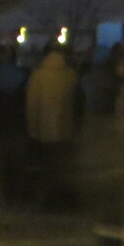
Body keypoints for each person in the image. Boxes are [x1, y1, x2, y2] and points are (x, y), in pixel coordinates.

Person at [24, 42, 79, 209]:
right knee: (63, 166)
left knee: (47, 167)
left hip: (45, 130)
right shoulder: (70, 75)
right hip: (65, 129)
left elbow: (32, 105)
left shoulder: (38, 75)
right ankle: (64, 200)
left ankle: (48, 201)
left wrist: (32, 130)